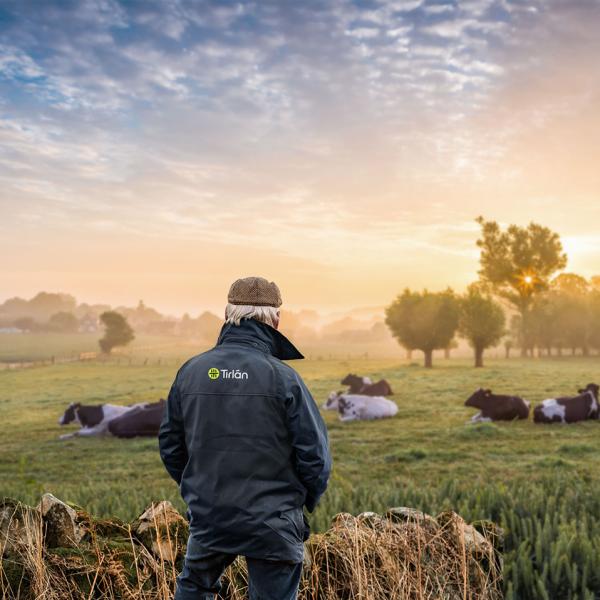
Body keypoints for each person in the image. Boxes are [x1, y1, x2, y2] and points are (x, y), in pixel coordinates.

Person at [159, 276, 332, 600]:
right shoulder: (285, 379)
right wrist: (297, 506)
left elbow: (170, 445)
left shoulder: (192, 370)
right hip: (274, 522)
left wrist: (199, 489)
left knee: (195, 587)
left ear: (227, 314)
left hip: (210, 516)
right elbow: (316, 457)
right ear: (276, 320)